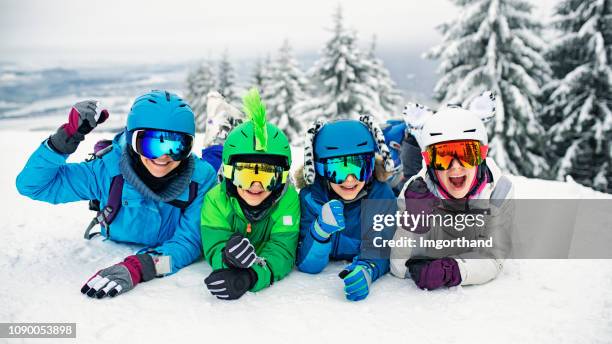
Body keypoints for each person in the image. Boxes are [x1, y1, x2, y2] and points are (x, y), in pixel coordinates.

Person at [15, 90, 217, 298]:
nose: (163, 157)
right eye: (150, 144)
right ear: (131, 140)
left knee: (220, 173)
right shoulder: (106, 171)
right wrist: (65, 139)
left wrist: (143, 266)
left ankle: (218, 144)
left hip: (205, 178)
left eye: (178, 146)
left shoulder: (200, 180)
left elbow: (188, 244)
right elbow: (33, 185)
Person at [390, 92, 514, 290]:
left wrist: (455, 270)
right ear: (429, 161)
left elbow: (494, 256)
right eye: (443, 157)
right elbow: (399, 267)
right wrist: (415, 226)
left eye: (467, 155)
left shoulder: (498, 189)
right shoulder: (416, 191)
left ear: (482, 155)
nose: (455, 167)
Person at [201, 88, 299, 300]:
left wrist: (252, 276)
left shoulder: (287, 199)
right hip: (222, 164)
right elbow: (214, 244)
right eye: (245, 176)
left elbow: (282, 250)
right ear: (228, 174)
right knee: (211, 159)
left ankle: (236, 139)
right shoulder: (215, 199)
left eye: (267, 176)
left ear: (282, 178)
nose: (256, 186)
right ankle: (220, 132)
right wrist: (225, 258)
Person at [296, 116, 397, 301]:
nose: (350, 180)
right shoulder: (312, 198)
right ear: (320, 170)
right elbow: (307, 264)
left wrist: (368, 268)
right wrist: (319, 232)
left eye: (360, 168)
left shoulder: (380, 195)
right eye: (338, 171)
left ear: (372, 166)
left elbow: (382, 246)